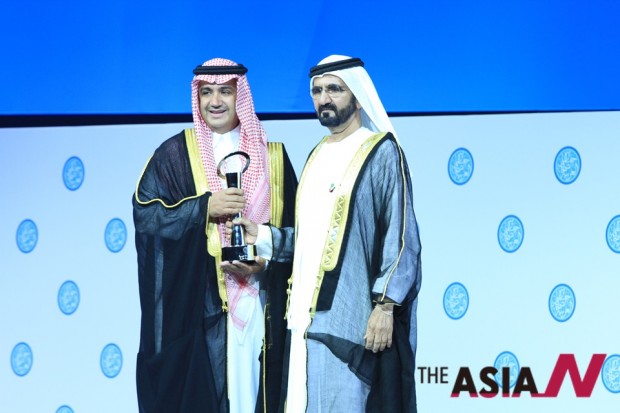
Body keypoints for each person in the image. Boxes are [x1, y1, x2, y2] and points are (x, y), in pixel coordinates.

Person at [233, 54, 422, 412]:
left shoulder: (381, 151)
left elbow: (402, 239)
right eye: (317, 90)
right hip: (302, 322)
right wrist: (263, 236)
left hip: (350, 326)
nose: (324, 98)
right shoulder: (317, 154)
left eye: (334, 88)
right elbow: (312, 240)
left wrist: (384, 306)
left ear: (356, 93)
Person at [132, 58, 298, 413]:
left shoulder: (274, 158)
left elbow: (301, 235)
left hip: (262, 302)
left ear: (242, 96)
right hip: (203, 309)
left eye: (225, 91)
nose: (215, 101)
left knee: (258, 393)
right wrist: (204, 208)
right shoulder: (174, 155)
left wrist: (264, 254)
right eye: (206, 92)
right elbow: (147, 216)